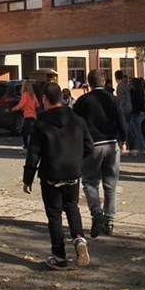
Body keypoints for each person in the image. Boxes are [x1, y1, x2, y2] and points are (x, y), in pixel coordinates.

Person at [23, 81, 94, 270]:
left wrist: (27, 178)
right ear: (62, 97)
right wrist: (76, 158)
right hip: (72, 171)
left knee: (54, 214)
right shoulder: (77, 119)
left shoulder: (41, 122)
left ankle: (59, 256)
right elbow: (89, 146)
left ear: (45, 99)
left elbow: (34, 153)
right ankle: (79, 238)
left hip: (50, 173)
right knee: (72, 207)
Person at [72, 70, 128, 238]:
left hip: (91, 145)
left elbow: (75, 125)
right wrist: (123, 140)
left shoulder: (82, 101)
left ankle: (97, 212)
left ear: (89, 82)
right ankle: (110, 222)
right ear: (104, 81)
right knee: (111, 183)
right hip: (111, 144)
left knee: (90, 182)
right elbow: (122, 122)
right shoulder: (113, 99)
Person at [13, 80, 40, 151]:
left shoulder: (25, 94)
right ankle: (27, 145)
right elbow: (37, 105)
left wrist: (15, 108)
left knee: (26, 132)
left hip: (28, 116)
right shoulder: (33, 95)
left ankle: (28, 146)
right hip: (32, 116)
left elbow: (21, 104)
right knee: (26, 131)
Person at [128, 78, 145, 155]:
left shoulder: (133, 92)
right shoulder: (141, 91)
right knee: (137, 130)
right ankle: (142, 145)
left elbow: (131, 101)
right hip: (139, 112)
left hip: (133, 111)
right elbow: (143, 101)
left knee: (136, 130)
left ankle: (142, 146)